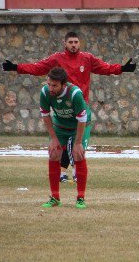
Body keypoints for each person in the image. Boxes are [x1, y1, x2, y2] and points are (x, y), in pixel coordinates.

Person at [2, 31, 136, 182]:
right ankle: (67, 172)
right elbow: (38, 67)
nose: (73, 45)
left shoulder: (87, 58)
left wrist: (122, 69)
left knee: (77, 143)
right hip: (63, 107)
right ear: (65, 43)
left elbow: (105, 68)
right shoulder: (57, 59)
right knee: (64, 144)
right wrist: (16, 67)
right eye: (70, 42)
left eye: (76, 42)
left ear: (79, 43)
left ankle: (71, 172)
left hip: (80, 106)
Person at [39, 67, 93, 209]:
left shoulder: (75, 94)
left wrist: (78, 142)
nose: (50, 88)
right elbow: (45, 116)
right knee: (54, 154)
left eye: (54, 85)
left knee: (78, 154)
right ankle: (55, 198)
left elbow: (82, 119)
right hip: (60, 126)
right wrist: (53, 139)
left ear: (64, 85)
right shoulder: (45, 92)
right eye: (49, 84)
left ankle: (80, 198)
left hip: (80, 125)